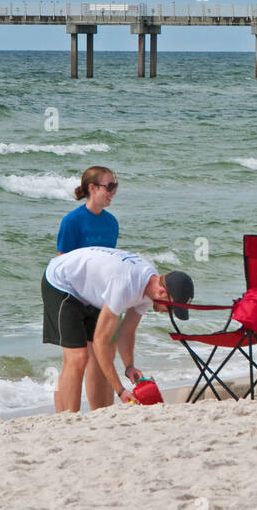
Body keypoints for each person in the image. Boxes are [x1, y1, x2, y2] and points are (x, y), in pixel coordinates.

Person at [41, 246, 194, 412]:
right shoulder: (125, 286)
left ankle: (97, 415)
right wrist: (120, 390)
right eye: (171, 308)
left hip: (89, 289)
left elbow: (127, 332)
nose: (169, 312)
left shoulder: (152, 288)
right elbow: (101, 342)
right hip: (61, 282)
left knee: (101, 357)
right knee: (78, 357)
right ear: (162, 291)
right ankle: (69, 420)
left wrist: (130, 367)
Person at [58, 166, 120, 253]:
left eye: (115, 186)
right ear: (92, 188)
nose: (114, 192)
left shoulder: (112, 222)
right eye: (110, 186)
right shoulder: (72, 221)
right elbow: (64, 260)